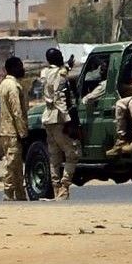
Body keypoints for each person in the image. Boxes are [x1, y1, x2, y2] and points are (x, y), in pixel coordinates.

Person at [39, 48, 78, 200]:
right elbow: (60, 97)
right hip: (58, 118)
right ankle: (64, 186)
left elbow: (58, 72)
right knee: (72, 154)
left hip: (48, 118)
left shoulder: (46, 73)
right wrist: (68, 120)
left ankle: (56, 188)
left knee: (54, 156)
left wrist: (68, 66)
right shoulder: (61, 76)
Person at [0, 57, 29, 201]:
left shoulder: (3, 84)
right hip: (13, 132)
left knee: (16, 166)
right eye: (20, 66)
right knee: (11, 164)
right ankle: (8, 193)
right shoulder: (13, 86)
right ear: (14, 68)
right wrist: (23, 133)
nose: (23, 69)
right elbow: (17, 112)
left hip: (5, 130)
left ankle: (20, 195)